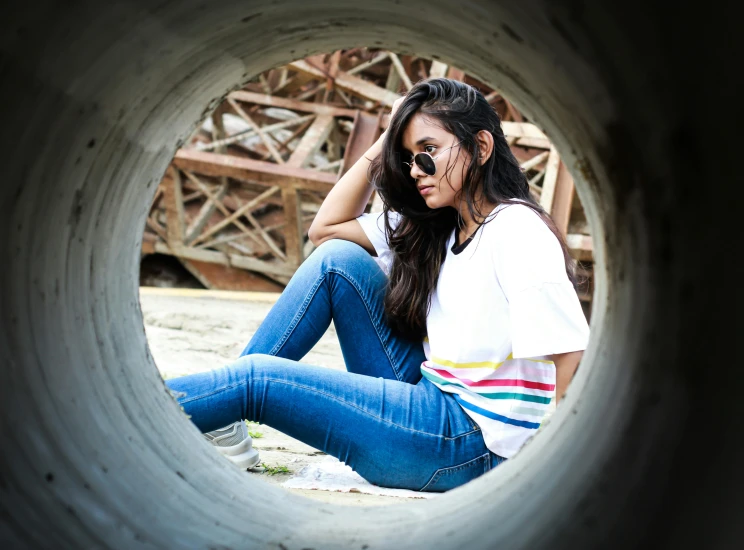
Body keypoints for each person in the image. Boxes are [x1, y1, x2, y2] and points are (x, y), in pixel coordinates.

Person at [165, 78, 589, 492]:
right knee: (337, 261)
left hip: (468, 444)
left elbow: (570, 357)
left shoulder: (516, 230)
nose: (415, 169)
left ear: (480, 147)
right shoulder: (442, 225)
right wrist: (390, 135)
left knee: (256, 381)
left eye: (429, 151)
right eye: (407, 156)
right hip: (431, 397)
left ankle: (124, 418)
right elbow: (326, 229)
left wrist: (555, 486)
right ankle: (223, 416)